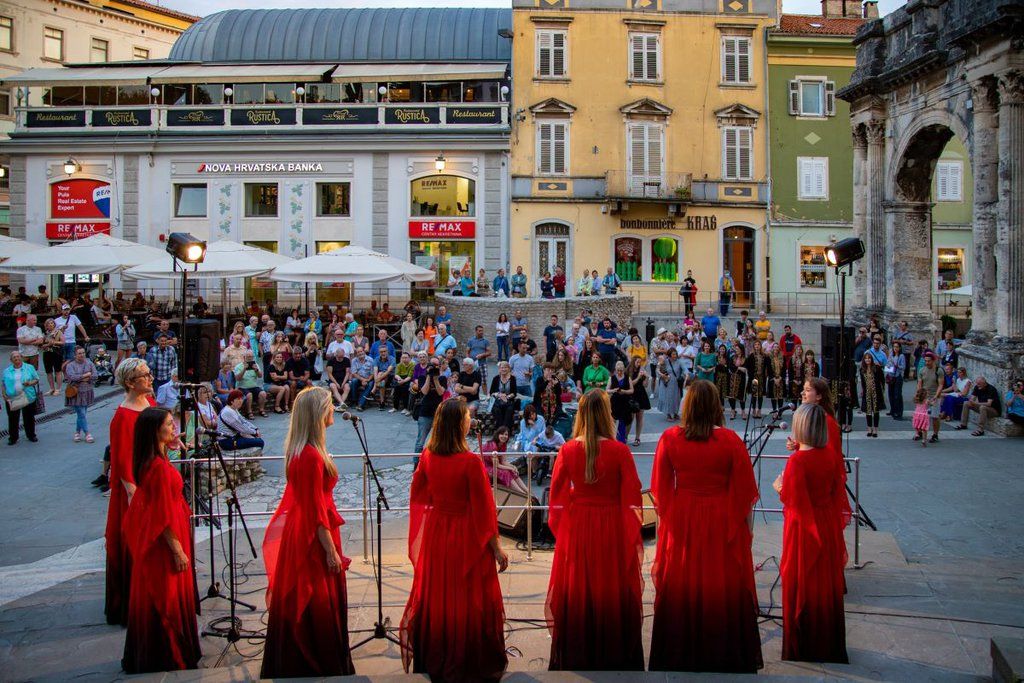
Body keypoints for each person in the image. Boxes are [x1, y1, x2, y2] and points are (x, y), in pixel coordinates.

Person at [649, 379, 762, 672]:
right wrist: (744, 531)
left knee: (683, 578)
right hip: (721, 515)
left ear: (687, 406)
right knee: (720, 579)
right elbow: (745, 493)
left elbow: (660, 492)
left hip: (683, 514)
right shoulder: (731, 441)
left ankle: (679, 651)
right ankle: (722, 651)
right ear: (715, 406)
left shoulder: (670, 438)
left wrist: (665, 529)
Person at [401, 399, 509, 679]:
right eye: (466, 418)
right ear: (459, 425)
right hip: (465, 534)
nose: (469, 421)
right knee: (468, 595)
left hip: (438, 531)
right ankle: (467, 656)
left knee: (439, 592)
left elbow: (418, 494)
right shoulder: (471, 462)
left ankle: (437, 650)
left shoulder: (427, 456)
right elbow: (485, 511)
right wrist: (497, 548)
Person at [546, 389, 644, 671]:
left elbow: (556, 497)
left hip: (579, 525)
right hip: (611, 523)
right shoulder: (620, 451)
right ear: (606, 415)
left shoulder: (567, 449)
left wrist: (565, 528)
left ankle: (581, 649)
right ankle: (613, 651)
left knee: (580, 585)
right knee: (611, 584)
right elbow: (633, 496)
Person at [261, 387, 355, 678]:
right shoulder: (311, 457)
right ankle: (316, 659)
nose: (333, 411)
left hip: (306, 527)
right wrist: (330, 551)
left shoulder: (304, 451)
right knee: (316, 595)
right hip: (314, 533)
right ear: (318, 414)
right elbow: (315, 509)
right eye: (329, 406)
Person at [120, 407, 200, 674]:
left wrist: (171, 446)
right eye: (169, 424)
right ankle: (170, 653)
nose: (174, 427)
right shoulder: (157, 468)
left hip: (169, 531)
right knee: (168, 594)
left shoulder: (153, 460)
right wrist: (178, 550)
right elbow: (161, 516)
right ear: (156, 431)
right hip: (167, 539)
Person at [774, 404, 850, 663]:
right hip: (826, 522)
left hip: (803, 525)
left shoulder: (798, 461)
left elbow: (792, 499)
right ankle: (827, 640)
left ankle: (804, 643)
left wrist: (778, 487)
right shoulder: (829, 455)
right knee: (825, 581)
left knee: (801, 578)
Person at [105, 358, 155, 626]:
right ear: (129, 383)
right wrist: (133, 494)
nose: (150, 378)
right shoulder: (123, 417)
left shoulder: (150, 404)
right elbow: (122, 460)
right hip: (134, 487)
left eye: (148, 373)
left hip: (153, 477)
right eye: (143, 375)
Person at [3, 351, 40, 445]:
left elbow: (36, 379)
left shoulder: (29, 367)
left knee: (29, 417)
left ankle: (31, 435)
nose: (16, 358)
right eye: (14, 357)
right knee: (12, 418)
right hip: (12, 397)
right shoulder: (7, 371)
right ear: (11, 360)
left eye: (18, 356)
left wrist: (29, 383)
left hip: (27, 395)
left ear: (21, 357)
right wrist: (4, 394)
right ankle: (13, 437)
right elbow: (3, 383)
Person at [412, 357, 446, 460]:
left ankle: (437, 461)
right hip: (425, 413)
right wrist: (428, 376)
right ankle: (416, 464)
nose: (433, 367)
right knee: (420, 441)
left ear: (439, 366)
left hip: (438, 413)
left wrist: (435, 379)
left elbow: (441, 392)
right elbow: (424, 392)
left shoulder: (442, 379)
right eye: (432, 365)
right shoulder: (422, 378)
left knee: (440, 440)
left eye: (436, 365)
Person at [481, 426, 530, 495]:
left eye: (506, 434)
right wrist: (510, 468)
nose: (504, 436)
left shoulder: (503, 445)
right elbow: (497, 465)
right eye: (502, 434)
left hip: (494, 465)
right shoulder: (492, 446)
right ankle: (522, 494)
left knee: (512, 471)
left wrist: (513, 467)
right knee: (505, 473)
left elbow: (503, 461)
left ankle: (528, 492)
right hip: (486, 467)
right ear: (498, 434)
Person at [64, 345, 97, 443]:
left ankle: (77, 432)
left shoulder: (89, 363)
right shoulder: (70, 365)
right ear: (75, 355)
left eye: (83, 353)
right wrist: (85, 375)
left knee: (82, 413)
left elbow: (95, 375)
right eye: (79, 353)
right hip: (76, 392)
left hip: (87, 390)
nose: (82, 355)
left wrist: (84, 378)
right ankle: (87, 434)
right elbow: (72, 377)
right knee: (81, 413)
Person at [918, 352, 943, 443]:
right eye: (925, 361)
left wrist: (936, 396)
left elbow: (940, 385)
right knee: (921, 415)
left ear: (933, 361)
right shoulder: (922, 370)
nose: (927, 363)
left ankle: (935, 434)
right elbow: (920, 383)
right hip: (924, 396)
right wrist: (919, 394)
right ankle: (920, 433)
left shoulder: (938, 371)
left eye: (929, 361)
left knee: (935, 417)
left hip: (934, 396)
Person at [607, 361, 634, 443]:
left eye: (621, 370)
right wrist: (614, 390)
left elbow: (632, 390)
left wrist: (624, 391)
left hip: (624, 402)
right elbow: (607, 390)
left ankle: (621, 440)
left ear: (623, 370)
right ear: (615, 370)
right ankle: (613, 438)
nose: (619, 372)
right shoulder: (611, 378)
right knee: (613, 421)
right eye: (618, 370)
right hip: (615, 402)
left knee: (623, 421)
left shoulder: (627, 378)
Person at [235, 350, 268, 417]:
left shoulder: (255, 365)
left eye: (251, 356)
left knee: (263, 393)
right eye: (248, 356)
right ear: (244, 357)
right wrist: (244, 369)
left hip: (253, 386)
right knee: (249, 395)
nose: (250, 358)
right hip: (242, 387)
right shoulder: (238, 366)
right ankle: (249, 411)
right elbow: (237, 378)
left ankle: (261, 410)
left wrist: (256, 370)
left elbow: (260, 376)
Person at [656, 348, 686, 421]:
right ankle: (668, 414)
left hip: (676, 383)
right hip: (667, 382)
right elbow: (658, 369)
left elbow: (685, 369)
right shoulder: (665, 361)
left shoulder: (679, 362)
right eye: (673, 354)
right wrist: (662, 374)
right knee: (668, 398)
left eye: (675, 354)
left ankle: (675, 413)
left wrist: (685, 375)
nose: (674, 355)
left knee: (676, 398)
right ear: (669, 355)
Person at [860, 352, 885, 437]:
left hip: (876, 393)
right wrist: (862, 390)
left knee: (876, 411)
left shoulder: (877, 368)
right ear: (864, 360)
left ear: (871, 359)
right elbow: (863, 383)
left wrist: (882, 389)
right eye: (866, 358)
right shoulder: (862, 370)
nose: (867, 360)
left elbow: (882, 379)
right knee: (868, 412)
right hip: (867, 393)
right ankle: (869, 428)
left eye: (869, 358)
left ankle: (875, 429)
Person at [489, 361, 518, 431]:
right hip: (497, 400)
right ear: (499, 369)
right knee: (496, 410)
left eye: (505, 367)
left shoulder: (513, 379)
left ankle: (505, 430)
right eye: (502, 367)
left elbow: (514, 393)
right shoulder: (496, 378)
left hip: (509, 400)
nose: (503, 369)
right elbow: (491, 392)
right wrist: (499, 395)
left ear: (509, 369)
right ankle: (500, 430)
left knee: (509, 410)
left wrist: (507, 397)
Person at [628, 356, 650, 447]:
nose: (639, 364)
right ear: (633, 362)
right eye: (637, 362)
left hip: (641, 395)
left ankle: (637, 438)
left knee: (639, 418)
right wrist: (638, 377)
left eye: (640, 362)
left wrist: (647, 378)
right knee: (630, 418)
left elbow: (645, 385)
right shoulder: (629, 370)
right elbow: (630, 384)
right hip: (632, 395)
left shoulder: (642, 371)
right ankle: (625, 436)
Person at [886, 341, 907, 420]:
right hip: (891, 376)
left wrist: (897, 366)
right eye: (894, 347)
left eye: (897, 347)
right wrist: (890, 369)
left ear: (899, 348)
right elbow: (887, 364)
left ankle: (899, 412)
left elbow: (903, 367)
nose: (895, 348)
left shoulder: (901, 356)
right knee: (891, 394)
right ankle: (893, 409)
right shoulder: (891, 355)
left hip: (898, 376)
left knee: (897, 395)